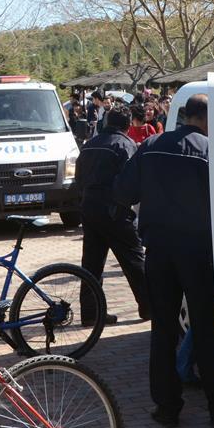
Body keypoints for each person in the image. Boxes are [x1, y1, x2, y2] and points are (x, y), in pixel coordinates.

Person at [115, 94, 214, 428]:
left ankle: (167, 408)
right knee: (206, 329)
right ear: (205, 118)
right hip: (198, 250)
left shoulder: (150, 145)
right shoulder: (210, 151)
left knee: (162, 330)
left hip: (158, 250)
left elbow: (123, 193)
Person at [75, 105, 151, 326]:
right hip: (115, 211)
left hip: (89, 209)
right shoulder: (125, 145)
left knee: (91, 264)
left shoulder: (89, 145)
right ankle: (149, 308)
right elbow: (132, 181)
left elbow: (79, 179)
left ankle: (91, 313)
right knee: (135, 261)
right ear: (127, 125)